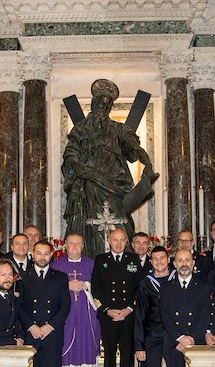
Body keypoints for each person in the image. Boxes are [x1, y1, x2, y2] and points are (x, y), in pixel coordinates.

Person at [62, 79, 158, 258]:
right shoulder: (81, 129)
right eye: (100, 104)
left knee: (119, 222)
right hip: (89, 182)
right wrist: (76, 165)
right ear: (93, 105)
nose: (103, 108)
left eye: (107, 105)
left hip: (115, 184)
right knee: (88, 223)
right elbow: (71, 152)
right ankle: (89, 260)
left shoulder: (118, 129)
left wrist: (148, 164)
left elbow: (135, 148)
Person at [159, 249, 210, 367]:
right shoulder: (166, 287)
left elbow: (205, 316)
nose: (184, 263)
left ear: (193, 262)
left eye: (187, 260)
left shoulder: (203, 287)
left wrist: (191, 339)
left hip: (196, 346)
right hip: (174, 345)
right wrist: (179, 338)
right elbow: (165, 315)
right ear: (174, 263)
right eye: (180, 260)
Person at [21, 240, 71, 367]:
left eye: (46, 253)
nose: (42, 257)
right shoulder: (22, 277)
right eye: (39, 253)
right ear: (32, 254)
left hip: (52, 334)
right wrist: (31, 326)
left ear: (52, 255)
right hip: (30, 334)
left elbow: (65, 306)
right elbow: (18, 307)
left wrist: (50, 326)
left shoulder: (60, 277)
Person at [91, 228, 144, 367]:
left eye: (122, 240)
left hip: (128, 316)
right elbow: (95, 289)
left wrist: (129, 309)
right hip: (108, 316)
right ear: (109, 241)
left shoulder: (133, 259)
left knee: (128, 355)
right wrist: (106, 309)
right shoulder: (101, 260)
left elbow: (139, 288)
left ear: (126, 242)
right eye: (115, 240)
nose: (119, 243)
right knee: (109, 354)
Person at [52, 233, 100, 367]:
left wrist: (86, 285)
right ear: (65, 245)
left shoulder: (92, 264)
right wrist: (67, 285)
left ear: (83, 246)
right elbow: (49, 288)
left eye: (78, 244)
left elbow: (101, 287)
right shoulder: (56, 265)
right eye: (71, 244)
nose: (74, 247)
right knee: (65, 348)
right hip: (65, 316)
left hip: (86, 316)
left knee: (85, 347)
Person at [135, 246, 172, 367]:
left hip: (174, 333)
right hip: (153, 333)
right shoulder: (146, 283)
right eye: (155, 259)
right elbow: (140, 314)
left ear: (168, 260)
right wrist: (139, 345)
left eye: (162, 258)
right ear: (151, 262)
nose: (159, 262)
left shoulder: (177, 279)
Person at [131, 231, 152, 367]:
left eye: (144, 243)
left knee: (145, 345)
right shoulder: (126, 262)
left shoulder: (154, 263)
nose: (141, 246)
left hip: (148, 312)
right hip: (129, 310)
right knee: (129, 346)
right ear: (132, 245)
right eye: (138, 243)